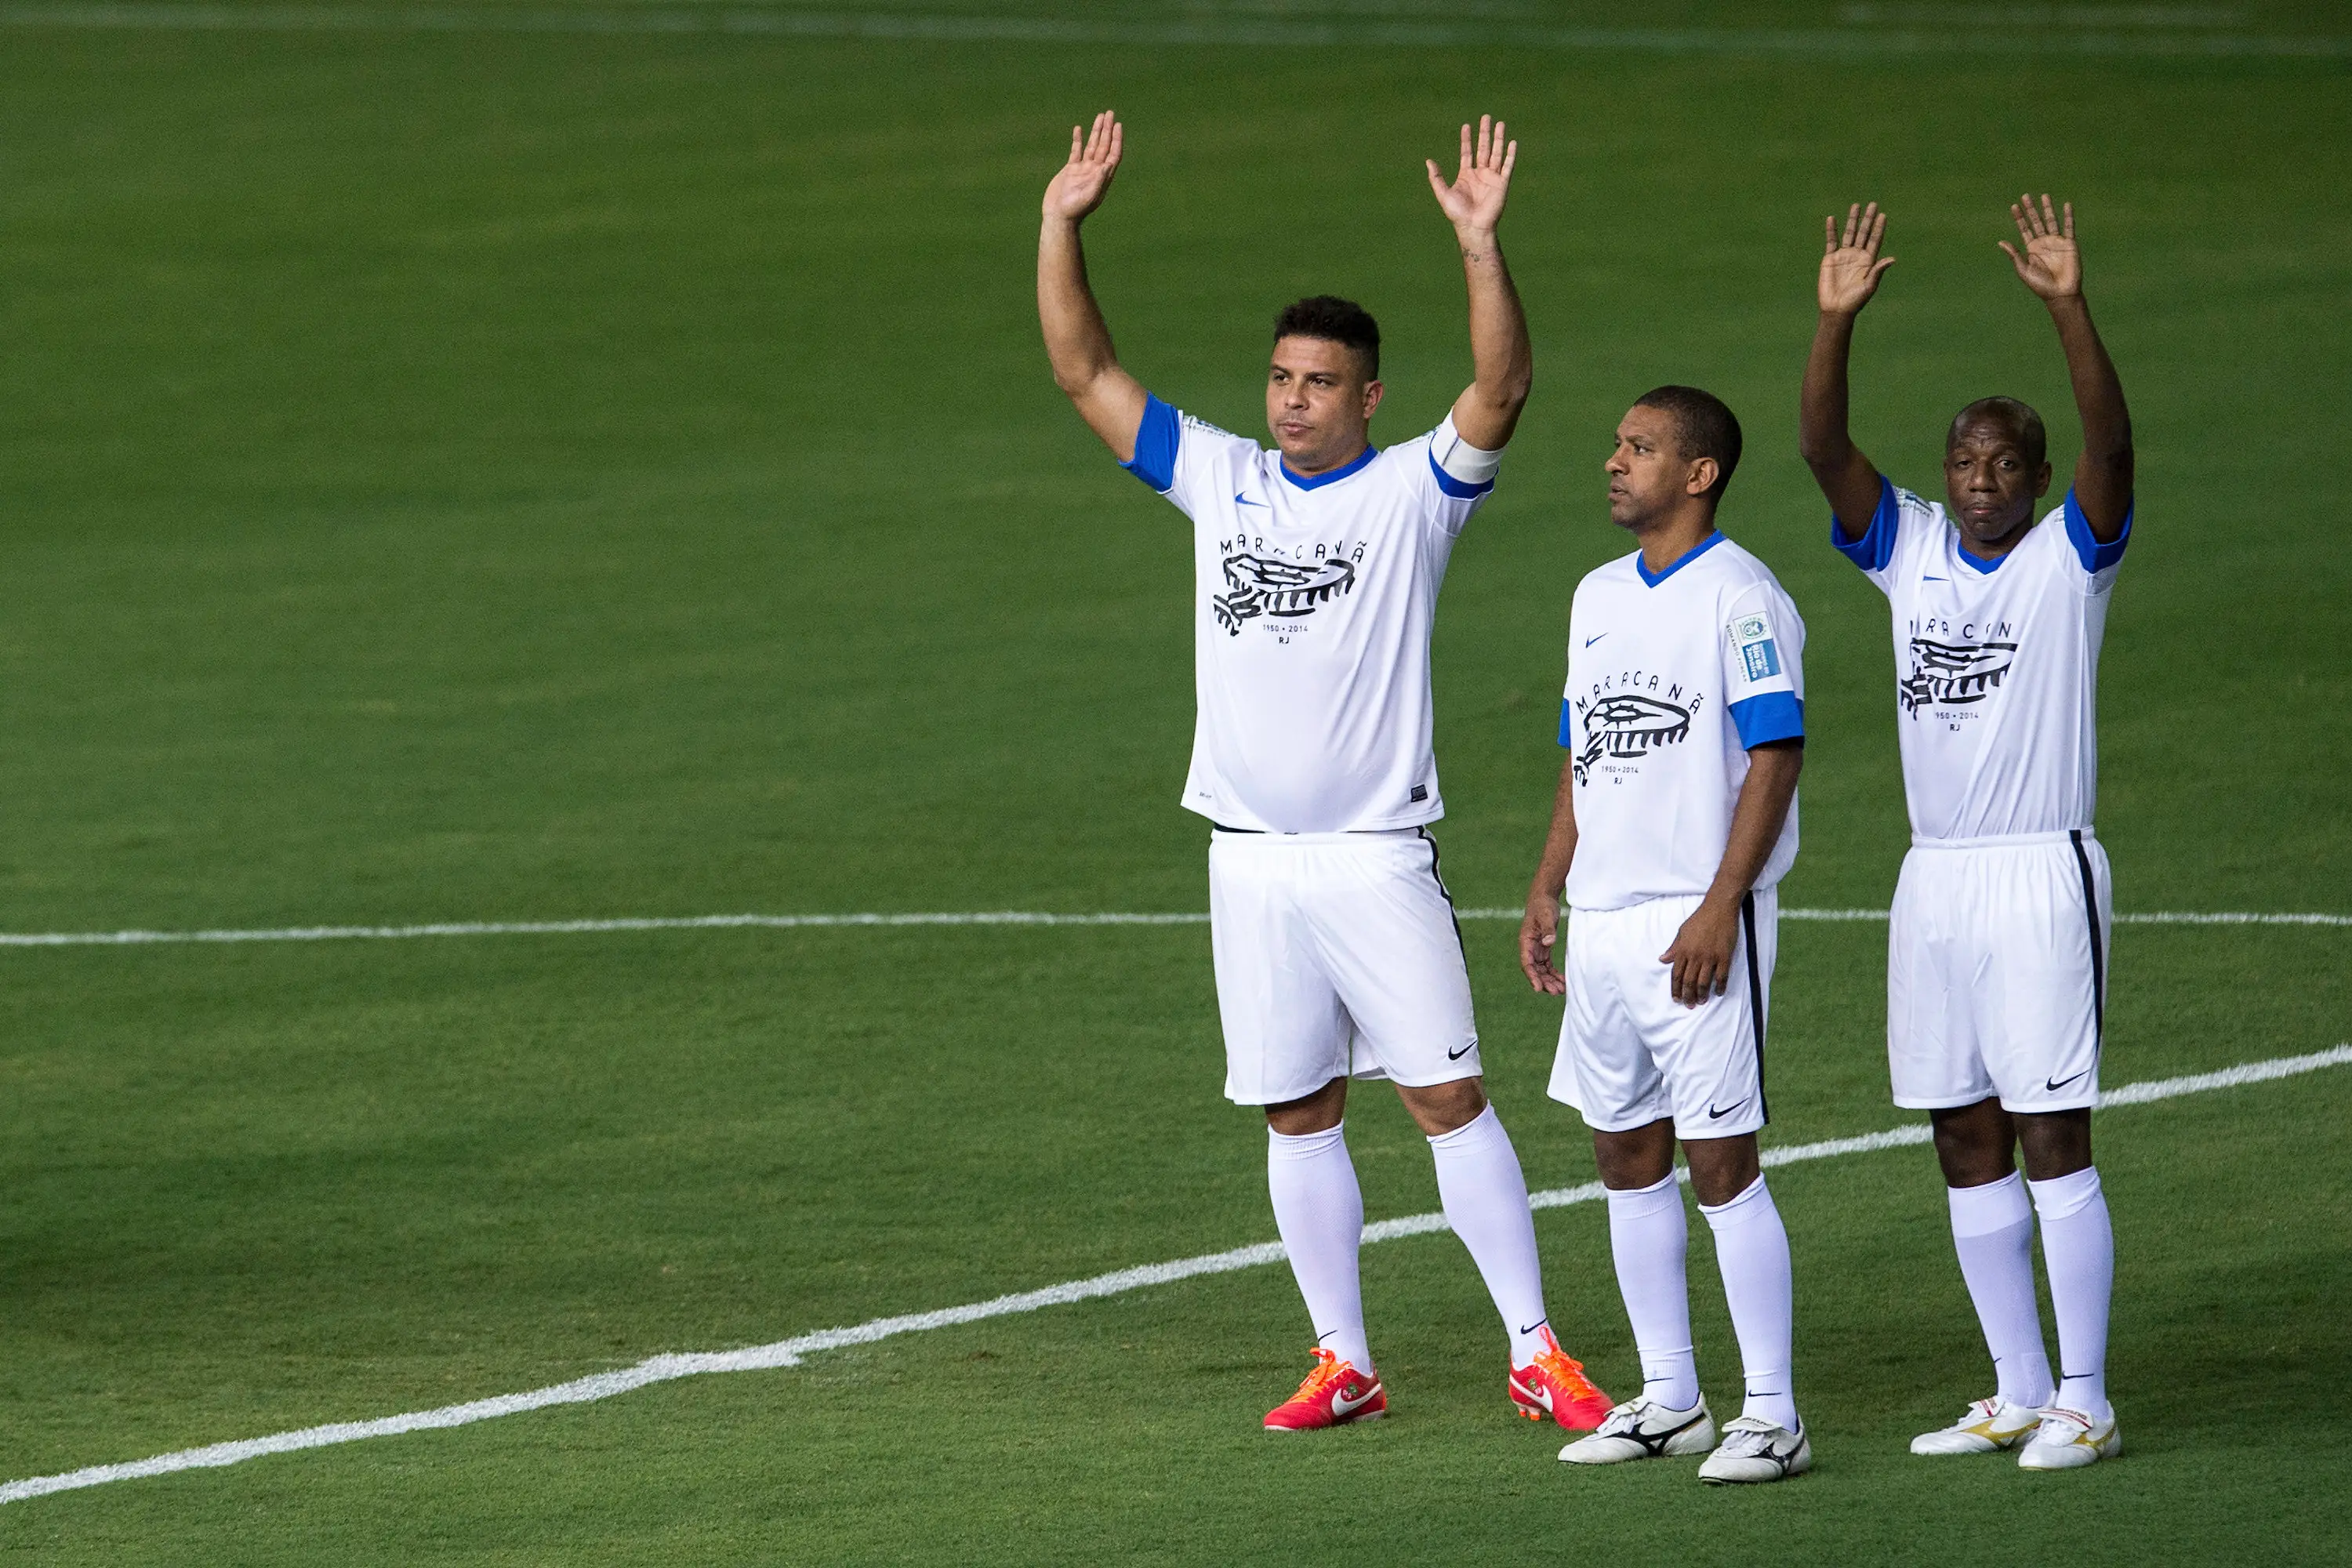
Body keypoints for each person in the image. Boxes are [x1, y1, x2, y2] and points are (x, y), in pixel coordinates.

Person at [1036, 111, 1613, 1434]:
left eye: (1318, 381)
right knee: (1296, 1114)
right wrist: (1062, 225)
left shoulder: (1414, 494)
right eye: (1281, 377)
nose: (1291, 397)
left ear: (1369, 398)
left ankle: (1536, 1350)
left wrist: (1480, 246)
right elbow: (1084, 372)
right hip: (1247, 858)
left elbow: (1506, 390)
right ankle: (1342, 1358)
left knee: (1445, 1099)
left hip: (1371, 854)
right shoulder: (1221, 479)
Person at [1798, 196, 2134, 1470]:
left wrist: (2066, 306)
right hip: (1933, 882)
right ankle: (2016, 1386)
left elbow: (2116, 444)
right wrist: (1835, 323)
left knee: (2054, 1133)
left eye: (2004, 465)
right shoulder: (1910, 552)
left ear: (2038, 483)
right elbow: (1822, 446)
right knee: (1960, 1130)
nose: (1981, 482)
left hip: (2040, 871)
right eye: (1964, 462)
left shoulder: (2070, 558)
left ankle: (2088, 1400)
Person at [1520, 387, 1812, 1484]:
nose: (1614, 461)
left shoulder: (1741, 598)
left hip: (1693, 924)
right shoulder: (1595, 595)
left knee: (1722, 1161)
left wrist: (1721, 903)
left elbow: (1774, 754)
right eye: (1616, 443)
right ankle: (1671, 1396)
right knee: (1624, 1156)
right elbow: (1581, 753)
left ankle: (1774, 1414)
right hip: (1600, 920)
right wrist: (1550, 883)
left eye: (1640, 449)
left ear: (1699, 474)